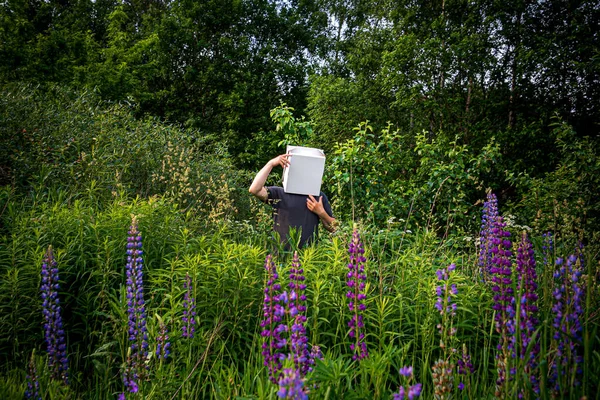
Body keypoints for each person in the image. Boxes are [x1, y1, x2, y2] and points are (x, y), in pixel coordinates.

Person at [249, 153, 337, 249]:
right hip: (281, 256)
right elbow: (254, 189)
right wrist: (271, 163)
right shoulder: (280, 193)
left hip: (307, 257)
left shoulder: (318, 196)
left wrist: (322, 213)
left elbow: (334, 228)